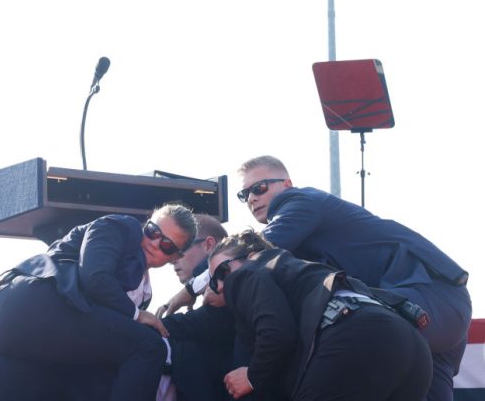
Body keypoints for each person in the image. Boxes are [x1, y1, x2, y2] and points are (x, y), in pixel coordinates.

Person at [163, 155, 471, 401]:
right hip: (438, 318)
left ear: (287, 183)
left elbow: (253, 251)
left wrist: (194, 286)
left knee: (362, 334)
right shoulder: (303, 236)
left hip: (426, 295)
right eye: (245, 194)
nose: (252, 199)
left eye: (260, 188)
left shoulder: (300, 201)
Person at [0, 204, 198, 401]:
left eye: (166, 245)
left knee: (13, 375)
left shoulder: (145, 289)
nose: (154, 243)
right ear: (146, 224)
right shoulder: (121, 226)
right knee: (149, 346)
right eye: (153, 231)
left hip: (15, 339)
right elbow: (95, 277)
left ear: (175, 256)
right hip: (38, 305)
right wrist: (137, 314)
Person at [207, 229, 432, 400]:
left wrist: (252, 376)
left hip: (356, 339)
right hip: (413, 346)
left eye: (222, 272)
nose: (218, 286)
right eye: (212, 281)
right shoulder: (302, 273)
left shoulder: (248, 272)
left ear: (253, 255)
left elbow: (277, 333)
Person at [155, 214, 236, 401]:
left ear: (208, 245)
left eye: (180, 248)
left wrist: (150, 322)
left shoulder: (234, 285)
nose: (172, 258)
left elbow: (203, 322)